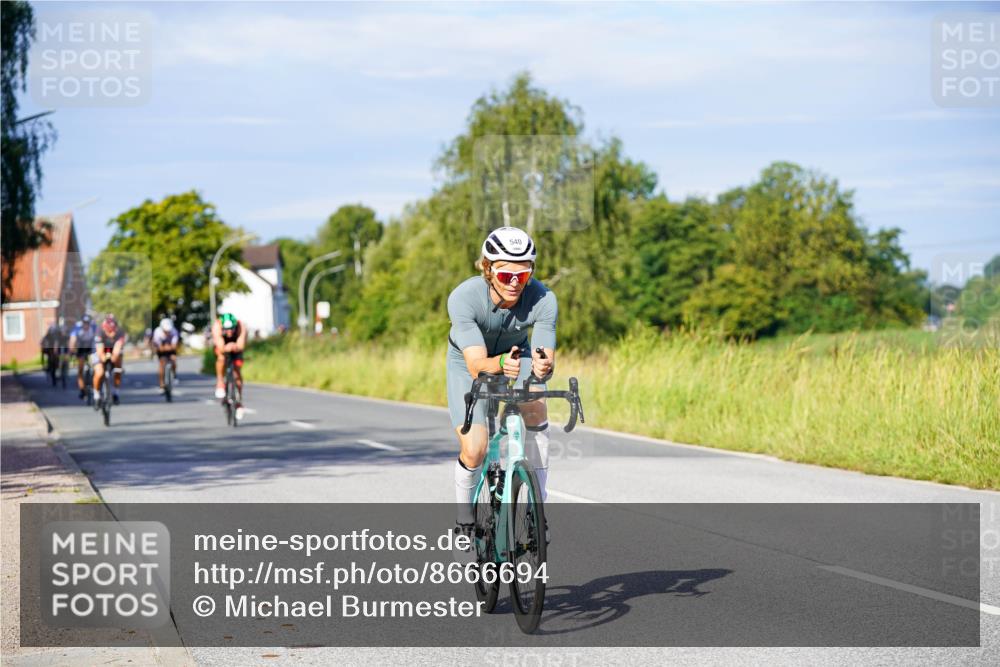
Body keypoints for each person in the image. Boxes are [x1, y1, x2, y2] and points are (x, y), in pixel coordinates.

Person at [446, 227, 556, 543]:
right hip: (468, 365)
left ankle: (538, 509)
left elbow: (544, 359)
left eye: (521, 277)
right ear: (488, 268)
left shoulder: (544, 298)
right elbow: (477, 364)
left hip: (515, 356)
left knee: (536, 398)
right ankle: (465, 522)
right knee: (475, 448)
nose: (513, 283)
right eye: (506, 274)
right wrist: (499, 365)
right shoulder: (464, 298)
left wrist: (544, 365)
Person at [212, 312, 247, 420]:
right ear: (222, 327)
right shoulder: (217, 326)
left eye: (232, 329)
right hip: (223, 346)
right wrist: (227, 347)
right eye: (227, 329)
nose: (230, 331)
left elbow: (241, 345)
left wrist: (234, 346)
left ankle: (239, 401)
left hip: (236, 347)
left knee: (237, 373)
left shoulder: (241, 326)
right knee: (221, 358)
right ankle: (220, 382)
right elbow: (220, 346)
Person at [93, 314, 126, 405]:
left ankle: (116, 392)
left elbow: (117, 349)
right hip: (101, 349)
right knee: (99, 373)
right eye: (109, 331)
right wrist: (104, 358)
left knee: (118, 367)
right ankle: (96, 395)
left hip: (113, 350)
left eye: (113, 331)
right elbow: (100, 352)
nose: (111, 334)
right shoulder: (99, 331)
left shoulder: (120, 332)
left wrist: (113, 359)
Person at [68, 314, 97, 399]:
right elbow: (72, 341)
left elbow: (99, 338)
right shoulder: (77, 328)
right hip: (81, 349)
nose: (86, 325)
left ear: (90, 323)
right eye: (84, 323)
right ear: (82, 323)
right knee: (80, 370)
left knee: (96, 366)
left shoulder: (94, 327)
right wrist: (72, 351)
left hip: (91, 348)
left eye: (87, 323)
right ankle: (82, 390)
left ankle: (94, 383)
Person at [152, 317, 180, 393]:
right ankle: (161, 384)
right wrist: (166, 347)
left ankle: (174, 376)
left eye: (168, 331)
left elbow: (174, 346)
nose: (167, 332)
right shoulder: (157, 332)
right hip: (161, 350)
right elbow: (159, 348)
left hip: (170, 349)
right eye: (165, 330)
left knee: (173, 359)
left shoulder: (174, 331)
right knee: (162, 363)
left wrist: (168, 347)